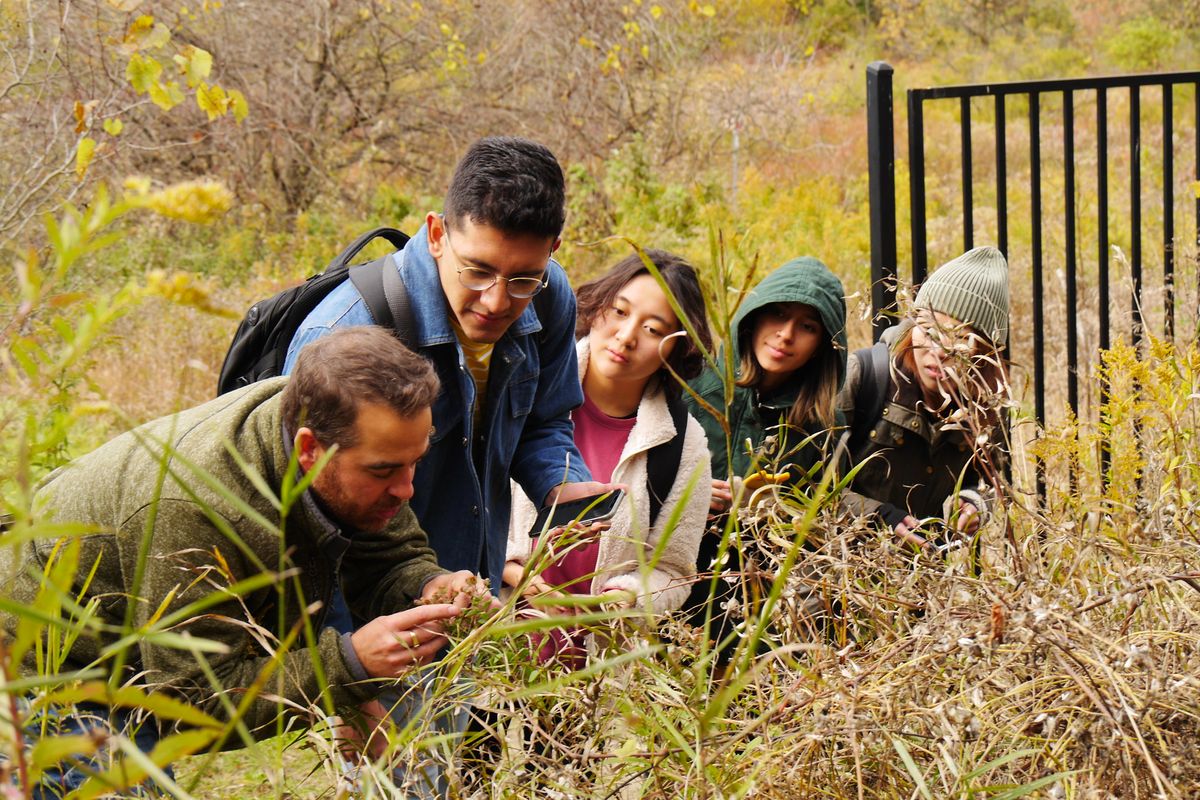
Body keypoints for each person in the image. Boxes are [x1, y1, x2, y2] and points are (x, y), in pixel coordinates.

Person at [2, 327, 478, 795]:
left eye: (415, 461)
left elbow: (391, 558)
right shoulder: (196, 507)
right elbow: (188, 704)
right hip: (40, 668)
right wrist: (350, 666)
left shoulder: (329, 433)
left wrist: (431, 584)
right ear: (309, 449)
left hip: (134, 651)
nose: (406, 488)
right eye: (384, 470)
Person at [284, 136, 608, 597]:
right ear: (438, 235)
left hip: (475, 592)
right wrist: (347, 653)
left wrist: (561, 485)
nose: (496, 301)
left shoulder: (550, 295)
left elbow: (545, 419)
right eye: (477, 271)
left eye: (522, 278)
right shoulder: (343, 334)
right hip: (369, 610)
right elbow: (301, 522)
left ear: (552, 249)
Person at [503, 250, 713, 664]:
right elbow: (465, 518)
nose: (626, 335)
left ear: (677, 349)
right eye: (619, 311)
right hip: (493, 663)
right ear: (598, 305)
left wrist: (624, 598)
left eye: (653, 329)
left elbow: (674, 571)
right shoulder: (521, 390)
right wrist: (521, 577)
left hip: (600, 682)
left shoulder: (683, 444)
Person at [681, 256, 848, 657]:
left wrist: (766, 509)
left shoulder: (823, 426)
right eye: (778, 314)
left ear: (822, 346)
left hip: (752, 611)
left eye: (807, 327)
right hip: (669, 585)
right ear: (753, 317)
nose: (786, 335)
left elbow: (817, 534)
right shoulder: (693, 382)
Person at [838, 245, 1010, 548]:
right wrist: (877, 517)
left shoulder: (986, 404)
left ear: (985, 354)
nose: (940, 350)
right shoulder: (865, 376)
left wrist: (972, 504)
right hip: (841, 579)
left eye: (961, 338)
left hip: (921, 586)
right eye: (929, 330)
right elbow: (807, 484)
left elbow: (991, 483)